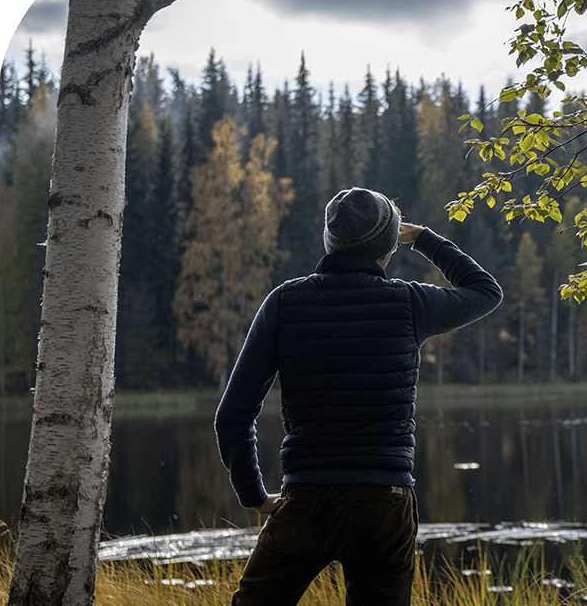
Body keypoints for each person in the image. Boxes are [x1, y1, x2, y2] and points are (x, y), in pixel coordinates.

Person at [214, 187, 503, 606]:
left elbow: (233, 416)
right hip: (384, 503)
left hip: (305, 497)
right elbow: (484, 290)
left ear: (329, 241)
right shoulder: (409, 302)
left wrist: (254, 497)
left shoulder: (285, 302)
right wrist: (422, 238)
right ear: (387, 248)